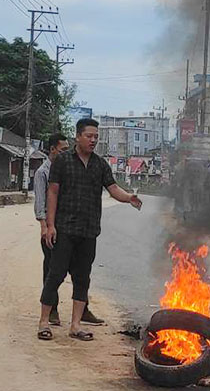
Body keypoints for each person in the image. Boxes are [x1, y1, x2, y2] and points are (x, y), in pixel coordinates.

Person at [38, 118, 143, 341]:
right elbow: (52, 192)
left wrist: (128, 198)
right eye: (89, 136)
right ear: (78, 137)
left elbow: (113, 188)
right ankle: (44, 322)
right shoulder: (63, 161)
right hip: (65, 229)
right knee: (55, 275)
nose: (93, 140)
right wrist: (50, 225)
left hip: (88, 230)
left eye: (96, 136)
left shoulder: (100, 165)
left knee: (82, 278)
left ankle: (75, 325)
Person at [35, 133, 103, 327]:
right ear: (52, 150)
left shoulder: (69, 167)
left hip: (71, 228)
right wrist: (45, 226)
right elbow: (42, 201)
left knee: (80, 272)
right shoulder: (43, 172)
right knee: (54, 271)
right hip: (54, 228)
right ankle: (51, 312)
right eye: (63, 149)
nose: (66, 152)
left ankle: (83, 311)